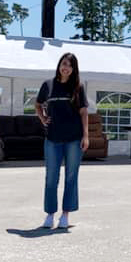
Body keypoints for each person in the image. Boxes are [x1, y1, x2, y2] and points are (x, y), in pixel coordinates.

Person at [35, 52, 89, 229]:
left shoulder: (78, 87)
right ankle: (50, 214)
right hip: (52, 138)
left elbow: (83, 112)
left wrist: (86, 135)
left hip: (74, 138)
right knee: (51, 177)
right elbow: (37, 104)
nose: (66, 67)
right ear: (59, 65)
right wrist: (43, 118)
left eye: (70, 65)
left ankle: (65, 215)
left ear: (74, 69)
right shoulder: (48, 85)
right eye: (64, 64)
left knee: (71, 177)